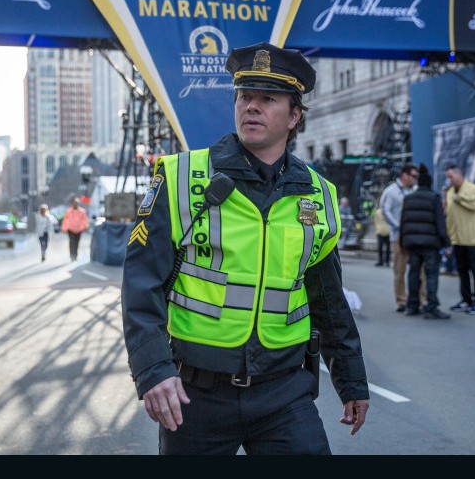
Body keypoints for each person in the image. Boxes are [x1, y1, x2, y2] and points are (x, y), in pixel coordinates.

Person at [121, 41, 369, 455]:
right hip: (195, 396)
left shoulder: (318, 195)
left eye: (267, 99)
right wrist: (152, 371)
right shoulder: (183, 177)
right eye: (244, 96)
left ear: (294, 117)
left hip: (285, 394)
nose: (251, 107)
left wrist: (351, 381)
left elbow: (327, 299)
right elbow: (141, 282)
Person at [398, 164, 451, 319]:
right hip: (430, 244)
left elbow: (404, 222)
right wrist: (446, 243)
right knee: (431, 275)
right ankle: (431, 307)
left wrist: (402, 243)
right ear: (430, 183)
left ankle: (412, 305)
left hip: (412, 243)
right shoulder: (434, 198)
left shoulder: (408, 198)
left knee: (413, 274)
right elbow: (441, 224)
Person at [380, 164, 426, 314]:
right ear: (404, 176)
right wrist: (399, 227)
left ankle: (421, 300)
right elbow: (385, 211)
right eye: (413, 176)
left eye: (416, 177)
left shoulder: (416, 190)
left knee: (420, 269)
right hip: (398, 235)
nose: (415, 179)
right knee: (399, 270)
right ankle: (401, 300)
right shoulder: (391, 191)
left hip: (414, 234)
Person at [445, 163, 475, 314]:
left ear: (459, 174)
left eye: (451, 176)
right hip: (458, 239)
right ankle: (466, 300)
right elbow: (449, 217)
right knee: (462, 271)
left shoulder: (473, 189)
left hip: (473, 239)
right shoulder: (449, 193)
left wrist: (459, 198)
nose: (449, 180)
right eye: (447, 177)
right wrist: (448, 238)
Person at [61, 197, 89, 262]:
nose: (75, 204)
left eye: (76, 203)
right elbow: (65, 220)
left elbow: (85, 219)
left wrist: (85, 226)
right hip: (70, 229)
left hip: (79, 229)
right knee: (71, 242)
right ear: (72, 203)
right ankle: (72, 255)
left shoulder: (82, 211)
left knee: (76, 242)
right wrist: (64, 228)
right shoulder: (69, 211)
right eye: (74, 203)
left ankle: (75, 255)